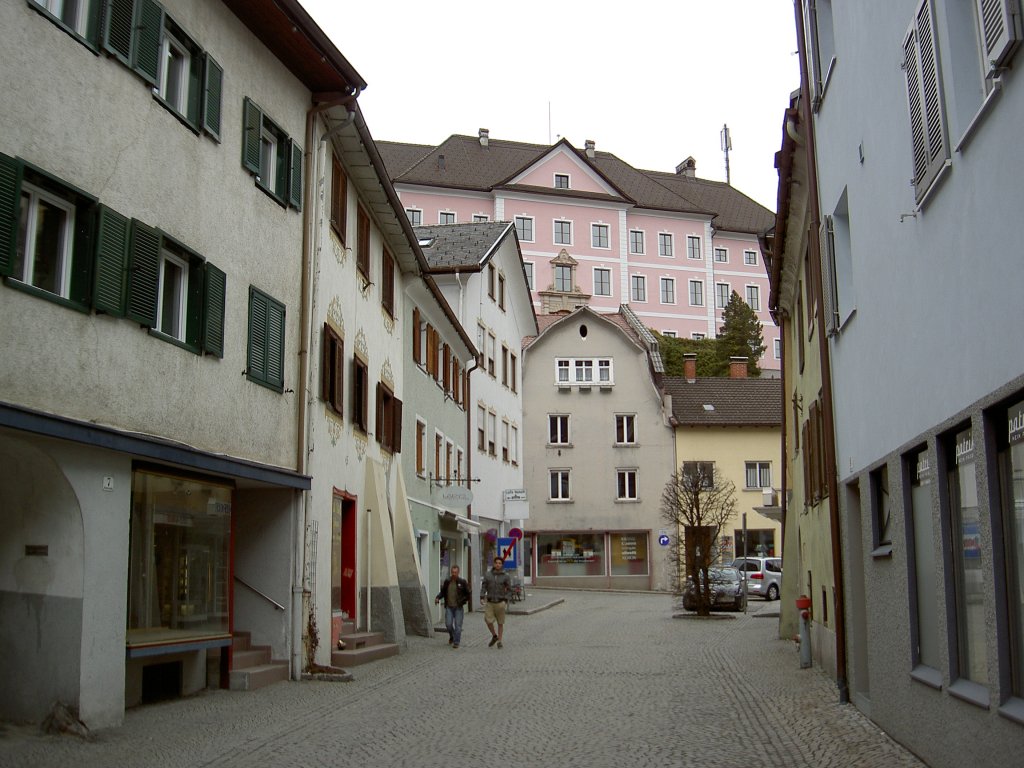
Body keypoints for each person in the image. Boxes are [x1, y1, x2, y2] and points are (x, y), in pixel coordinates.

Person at [434, 565, 471, 648]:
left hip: (458, 607)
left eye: (456, 572)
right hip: (449, 607)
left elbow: (468, 594)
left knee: (458, 626)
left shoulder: (462, 582)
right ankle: (452, 636)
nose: (454, 574)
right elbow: (443, 592)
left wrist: (463, 601)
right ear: (451, 572)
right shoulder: (447, 581)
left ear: (458, 572)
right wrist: (437, 597)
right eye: (453, 572)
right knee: (448, 624)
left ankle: (456, 642)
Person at [479, 555, 512, 648]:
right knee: (488, 620)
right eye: (496, 563)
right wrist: (482, 597)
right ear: (494, 564)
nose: (498, 565)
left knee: (500, 622)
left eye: (500, 563)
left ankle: (499, 641)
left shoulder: (505, 576)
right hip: (490, 602)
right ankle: (494, 635)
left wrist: (505, 600)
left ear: (502, 565)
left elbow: (509, 589)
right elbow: (484, 586)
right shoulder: (488, 575)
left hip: (500, 601)